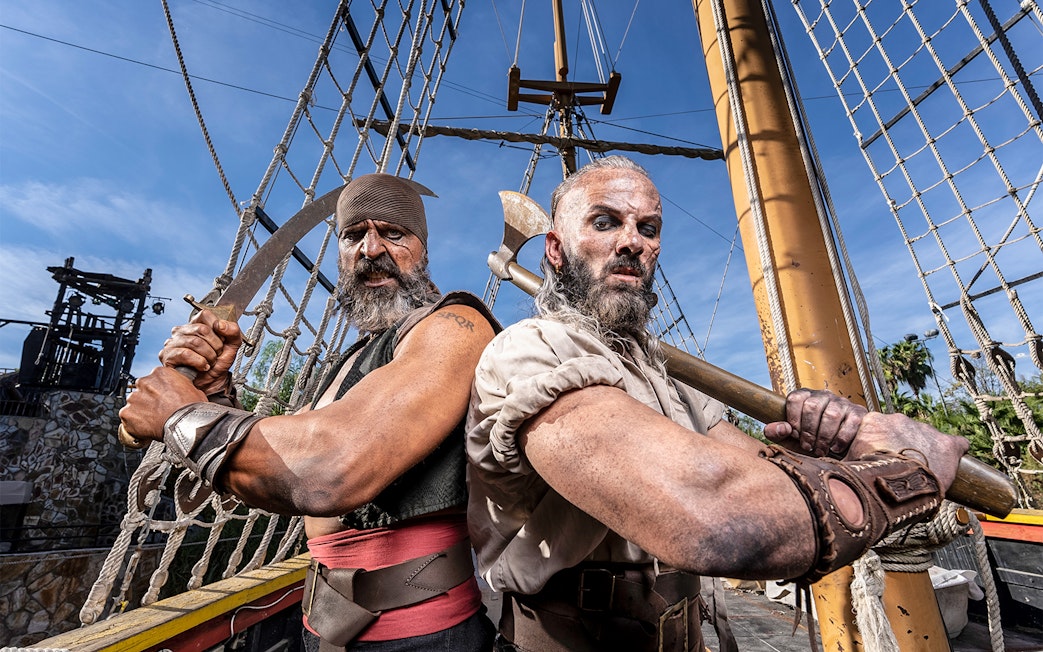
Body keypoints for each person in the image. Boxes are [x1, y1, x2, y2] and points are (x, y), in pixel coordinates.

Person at [464, 155, 969, 652]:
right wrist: (907, 473)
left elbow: (754, 472)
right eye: (605, 222)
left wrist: (823, 454)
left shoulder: (669, 373)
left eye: (649, 227)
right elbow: (709, 514)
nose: (632, 242)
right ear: (554, 250)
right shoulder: (529, 352)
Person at [120, 173, 499, 651]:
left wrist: (180, 416)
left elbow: (329, 472)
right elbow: (280, 473)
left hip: (422, 636)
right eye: (353, 235)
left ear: (422, 251)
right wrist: (214, 395)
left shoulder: (455, 326)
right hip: (323, 627)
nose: (371, 249)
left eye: (394, 234)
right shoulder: (349, 362)